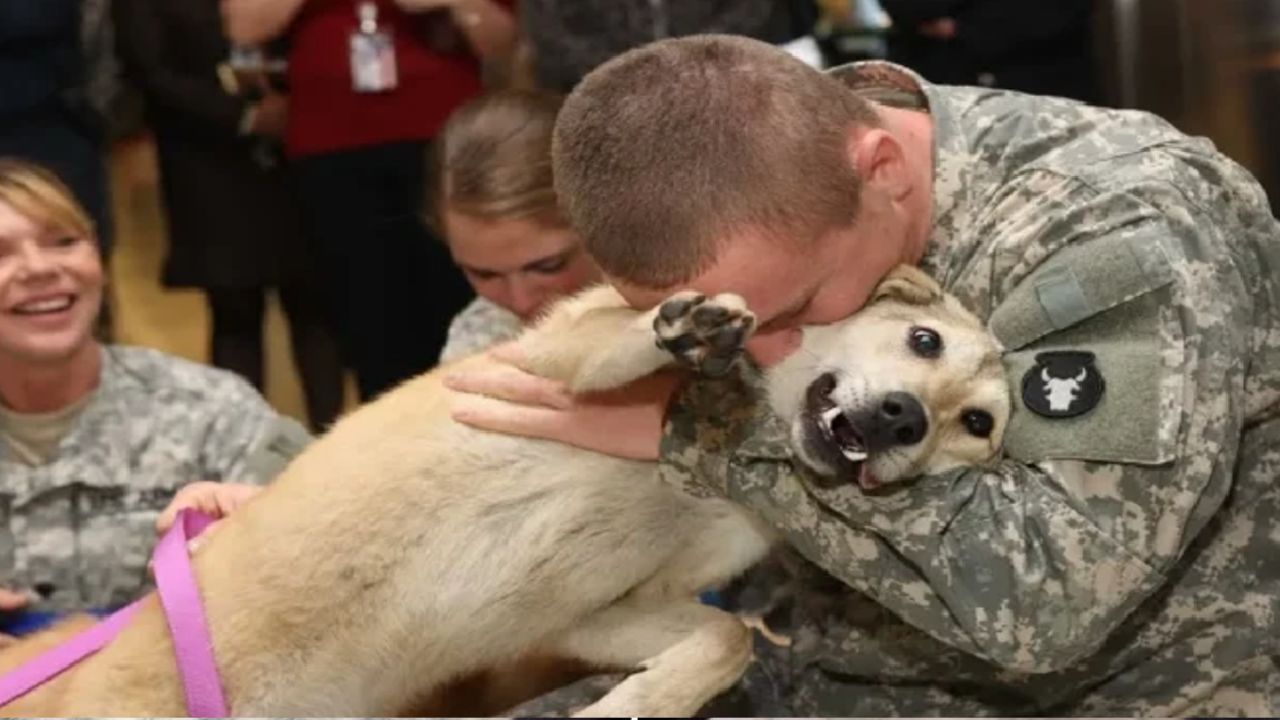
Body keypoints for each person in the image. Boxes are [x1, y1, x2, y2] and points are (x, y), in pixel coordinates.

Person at [445, 35, 1280, 716]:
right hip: (822, 666)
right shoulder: (751, 167)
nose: (763, 349)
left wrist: (702, 434)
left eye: (787, 313)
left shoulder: (1124, 231)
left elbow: (1052, 603)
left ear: (880, 169)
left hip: (1109, 697)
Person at [0, 158, 310, 640]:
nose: (41, 268)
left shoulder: (212, 411)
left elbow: (338, 561)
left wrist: (251, 536)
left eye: (64, 241)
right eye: (1, 254)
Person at [221, 0, 518, 402]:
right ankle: (388, 437)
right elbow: (244, 26)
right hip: (331, 146)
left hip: (445, 137)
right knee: (365, 316)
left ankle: (477, 420)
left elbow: (500, 43)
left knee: (461, 301)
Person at [112, 0, 345, 433]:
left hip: (303, 152)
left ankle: (333, 445)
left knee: (317, 310)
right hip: (208, 164)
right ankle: (241, 445)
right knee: (235, 313)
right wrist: (246, 116)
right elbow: (148, 69)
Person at [433, 88, 603, 363]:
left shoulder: (680, 314)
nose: (520, 301)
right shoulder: (482, 341)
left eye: (548, 267)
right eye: (484, 274)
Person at [879, 0, 1101, 104]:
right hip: (940, 88)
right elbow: (909, 8)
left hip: (1044, 88)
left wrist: (964, 27)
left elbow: (1059, 14)